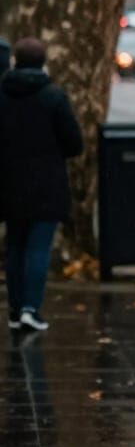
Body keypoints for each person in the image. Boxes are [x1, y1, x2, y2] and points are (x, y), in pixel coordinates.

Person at [0, 37, 83, 332]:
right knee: (38, 248)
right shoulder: (53, 97)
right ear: (43, 63)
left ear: (15, 62)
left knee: (15, 247)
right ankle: (30, 309)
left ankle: (13, 309)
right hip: (47, 185)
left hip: (9, 183)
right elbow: (74, 143)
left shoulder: (3, 95)